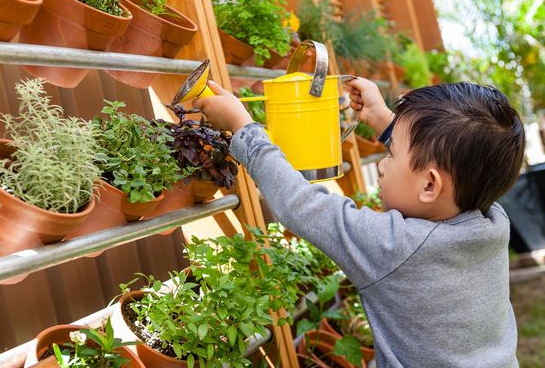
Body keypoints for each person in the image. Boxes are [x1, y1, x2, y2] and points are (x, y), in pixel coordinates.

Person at [193, 77, 525, 368]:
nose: (381, 166)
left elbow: (301, 205)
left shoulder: (395, 247)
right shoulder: (492, 220)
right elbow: (450, 168)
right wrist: (383, 121)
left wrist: (243, 128)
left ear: (429, 185)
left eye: (391, 153)